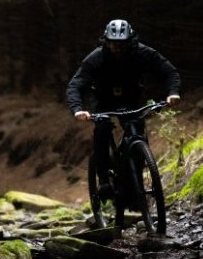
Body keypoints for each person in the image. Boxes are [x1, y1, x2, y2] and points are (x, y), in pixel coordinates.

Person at [66, 19, 181, 195]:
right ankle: (104, 180)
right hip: (103, 99)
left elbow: (169, 71)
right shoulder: (96, 58)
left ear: (130, 41)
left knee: (137, 132)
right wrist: (77, 109)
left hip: (131, 97)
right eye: (113, 44)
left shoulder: (142, 52)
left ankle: (135, 184)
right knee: (102, 129)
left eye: (122, 44)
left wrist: (173, 92)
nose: (117, 48)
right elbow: (76, 84)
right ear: (106, 42)